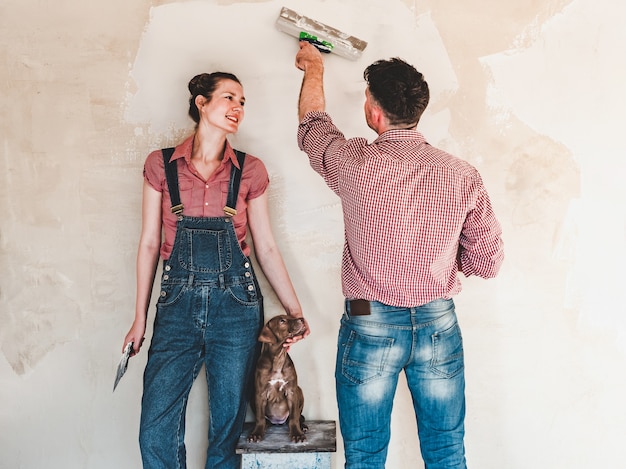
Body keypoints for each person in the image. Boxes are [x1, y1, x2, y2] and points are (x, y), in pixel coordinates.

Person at [294, 41, 504, 469]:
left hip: (368, 320)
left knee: (366, 455)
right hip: (437, 323)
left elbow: (312, 126)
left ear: (373, 112)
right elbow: (488, 261)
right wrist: (443, 258)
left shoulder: (352, 162)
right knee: (447, 451)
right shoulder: (461, 174)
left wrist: (313, 67)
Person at [123, 71, 309, 469]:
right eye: (229, 98)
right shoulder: (162, 166)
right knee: (155, 427)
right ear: (202, 104)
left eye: (242, 102)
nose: (238, 108)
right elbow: (150, 244)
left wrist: (295, 313)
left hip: (236, 308)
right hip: (176, 307)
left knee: (228, 429)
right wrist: (139, 318)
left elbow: (266, 247)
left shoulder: (250, 170)